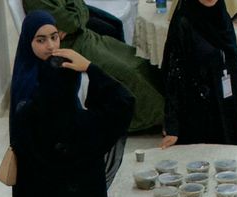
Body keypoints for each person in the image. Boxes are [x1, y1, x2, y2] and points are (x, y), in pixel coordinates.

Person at [9, 11, 134, 197]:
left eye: (54, 37)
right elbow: (123, 101)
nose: (50, 46)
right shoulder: (83, 126)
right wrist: (90, 67)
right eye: (41, 40)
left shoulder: (25, 96)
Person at [26, 0, 165, 133]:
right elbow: (70, 22)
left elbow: (81, 10)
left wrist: (75, 19)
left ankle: (167, 104)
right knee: (128, 72)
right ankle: (156, 116)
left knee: (137, 60)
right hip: (72, 47)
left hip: (84, 37)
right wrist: (75, 19)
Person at [159, 0, 237, 147]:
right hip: (198, 113)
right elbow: (173, 76)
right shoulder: (184, 22)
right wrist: (172, 127)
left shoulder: (222, 15)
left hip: (228, 108)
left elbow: (235, 63)